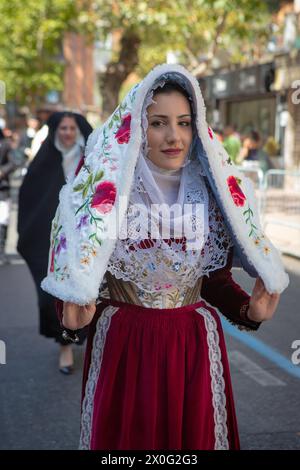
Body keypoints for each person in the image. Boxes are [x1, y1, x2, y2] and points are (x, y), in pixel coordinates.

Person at [42, 65, 289, 450]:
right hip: (124, 344)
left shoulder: (207, 194)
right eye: (158, 123)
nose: (174, 136)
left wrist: (248, 310)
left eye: (184, 122)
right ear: (137, 129)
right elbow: (76, 275)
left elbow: (214, 280)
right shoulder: (102, 198)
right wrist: (72, 321)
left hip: (192, 343)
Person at [17, 112, 93, 374]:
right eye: (63, 128)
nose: (68, 132)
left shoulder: (91, 160)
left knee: (85, 295)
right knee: (49, 299)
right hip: (48, 244)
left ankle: (80, 340)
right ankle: (64, 347)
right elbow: (29, 199)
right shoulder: (43, 161)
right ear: (55, 131)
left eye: (72, 128)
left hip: (84, 241)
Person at [0, 128, 17, 264]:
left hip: (2, 190)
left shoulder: (4, 144)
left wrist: (2, 171)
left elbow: (13, 163)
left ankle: (1, 253)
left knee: (2, 222)